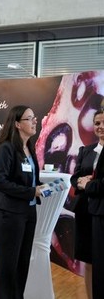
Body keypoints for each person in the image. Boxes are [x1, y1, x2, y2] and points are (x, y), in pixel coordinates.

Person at [0, 105, 45, 299]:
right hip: (9, 213)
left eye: (34, 117)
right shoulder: (7, 148)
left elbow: (27, 178)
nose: (34, 121)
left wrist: (40, 187)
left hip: (28, 212)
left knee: (22, 262)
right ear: (17, 124)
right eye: (29, 118)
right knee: (7, 264)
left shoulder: (29, 147)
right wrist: (31, 191)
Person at [76, 110, 104, 299]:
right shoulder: (85, 150)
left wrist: (88, 184)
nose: (100, 127)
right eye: (96, 123)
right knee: (88, 261)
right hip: (85, 213)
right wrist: (79, 182)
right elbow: (74, 177)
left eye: (103, 122)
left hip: (102, 214)